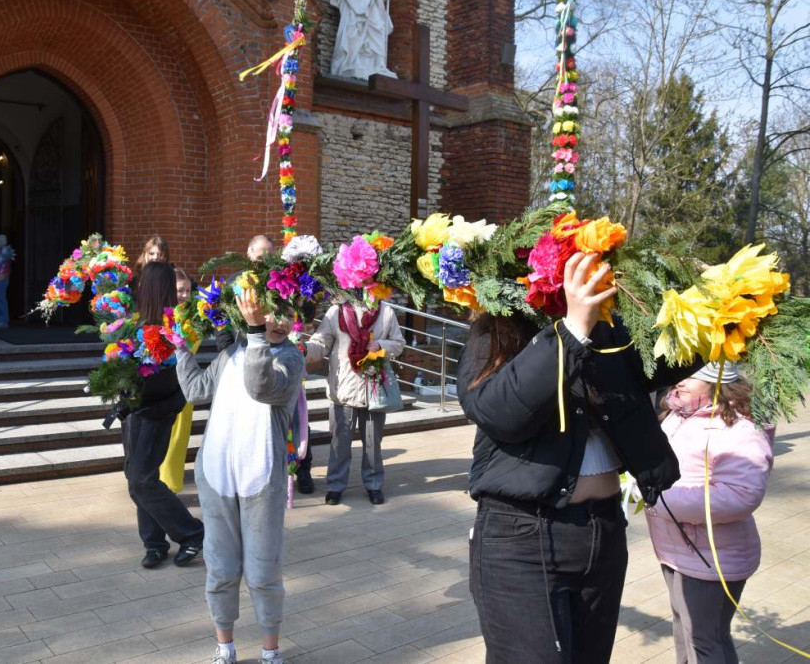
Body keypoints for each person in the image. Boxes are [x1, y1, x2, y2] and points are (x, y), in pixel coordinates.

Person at [456, 253, 697, 664]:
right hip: (521, 537)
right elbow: (497, 411)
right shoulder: (499, 330)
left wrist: (717, 308)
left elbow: (666, 360)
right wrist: (571, 330)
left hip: (602, 532)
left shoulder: (613, 327)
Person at [176, 288, 305, 664]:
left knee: (264, 571)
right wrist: (181, 349)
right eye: (271, 313)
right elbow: (196, 390)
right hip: (217, 475)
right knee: (220, 567)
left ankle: (270, 651)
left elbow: (261, 386)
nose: (278, 323)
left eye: (286, 315)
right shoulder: (231, 352)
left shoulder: (292, 358)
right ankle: (225, 646)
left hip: (260, 479)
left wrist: (253, 335)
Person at [645, 362, 773, 664]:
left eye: (692, 374)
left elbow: (741, 494)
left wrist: (659, 500)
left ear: (718, 380)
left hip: (713, 557)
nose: (680, 381)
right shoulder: (679, 414)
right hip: (677, 549)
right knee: (684, 627)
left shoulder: (738, 428)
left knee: (706, 639)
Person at [122, 261, 204, 569]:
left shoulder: (171, 329)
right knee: (138, 480)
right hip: (134, 411)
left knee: (143, 480)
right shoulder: (139, 324)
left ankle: (192, 533)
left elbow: (172, 377)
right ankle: (154, 543)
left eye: (144, 283)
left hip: (156, 412)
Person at [304, 297, 404, 505]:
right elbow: (320, 343)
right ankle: (335, 486)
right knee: (339, 443)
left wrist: (381, 345)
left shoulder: (385, 312)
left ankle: (374, 485)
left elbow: (398, 344)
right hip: (343, 388)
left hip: (373, 388)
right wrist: (304, 349)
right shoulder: (336, 311)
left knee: (372, 444)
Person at [159, 268, 198, 493]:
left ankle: (171, 484)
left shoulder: (193, 317)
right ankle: (160, 482)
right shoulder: (159, 315)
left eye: (188, 291)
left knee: (179, 435)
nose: (184, 295)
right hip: (164, 381)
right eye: (179, 290)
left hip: (184, 382)